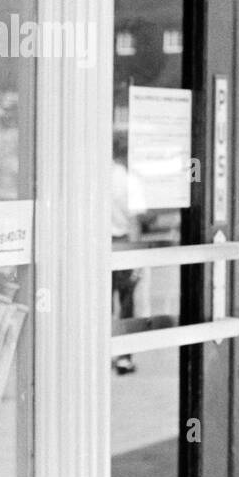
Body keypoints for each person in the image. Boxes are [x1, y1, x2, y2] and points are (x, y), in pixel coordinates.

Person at [111, 133, 140, 375]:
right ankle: (124, 357)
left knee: (101, 303)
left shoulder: (96, 176)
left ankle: (100, 350)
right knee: (126, 300)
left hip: (98, 245)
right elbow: (134, 219)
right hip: (122, 244)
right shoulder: (126, 179)